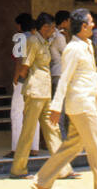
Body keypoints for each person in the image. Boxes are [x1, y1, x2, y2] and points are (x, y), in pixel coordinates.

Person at [33, 9, 97, 189]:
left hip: (83, 103)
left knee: (72, 146)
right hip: (82, 105)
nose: (94, 25)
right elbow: (64, 78)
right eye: (91, 22)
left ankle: (42, 181)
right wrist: (56, 107)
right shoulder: (73, 49)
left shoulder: (85, 45)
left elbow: (90, 75)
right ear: (83, 26)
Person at [10, 13, 71, 179]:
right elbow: (25, 65)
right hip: (35, 90)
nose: (53, 30)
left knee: (53, 129)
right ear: (43, 27)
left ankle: (64, 168)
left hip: (44, 92)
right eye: (50, 27)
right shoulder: (32, 41)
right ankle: (18, 169)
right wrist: (20, 83)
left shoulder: (44, 42)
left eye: (53, 27)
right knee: (28, 130)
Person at [9, 13, 39, 158]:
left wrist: (16, 78)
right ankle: (34, 147)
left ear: (20, 25)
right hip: (36, 79)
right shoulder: (37, 38)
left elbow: (19, 61)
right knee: (33, 113)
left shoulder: (20, 38)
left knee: (16, 112)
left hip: (23, 79)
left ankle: (16, 148)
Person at [50, 10, 71, 137]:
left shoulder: (53, 34)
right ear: (64, 22)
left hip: (55, 72)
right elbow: (66, 54)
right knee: (61, 107)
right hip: (60, 72)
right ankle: (61, 134)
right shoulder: (60, 37)